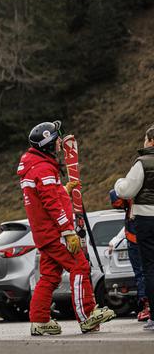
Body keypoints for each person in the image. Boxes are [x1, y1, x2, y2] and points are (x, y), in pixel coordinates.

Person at [19, 121, 115, 335]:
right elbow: (51, 204)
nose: (60, 142)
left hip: (44, 234)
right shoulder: (43, 168)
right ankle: (87, 316)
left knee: (49, 277)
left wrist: (63, 189)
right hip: (55, 233)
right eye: (57, 138)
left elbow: (47, 196)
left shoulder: (34, 166)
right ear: (48, 144)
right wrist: (68, 232)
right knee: (80, 267)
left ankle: (40, 321)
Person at [114, 124, 154, 330]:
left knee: (149, 267)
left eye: (145, 139)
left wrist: (119, 183)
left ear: (151, 141)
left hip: (147, 219)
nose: (143, 143)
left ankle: (152, 313)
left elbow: (126, 191)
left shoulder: (143, 162)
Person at [111, 189, 149, 321]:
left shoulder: (132, 186)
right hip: (138, 237)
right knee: (144, 273)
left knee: (142, 273)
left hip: (137, 238)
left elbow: (116, 198)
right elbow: (116, 199)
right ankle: (147, 306)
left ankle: (148, 307)